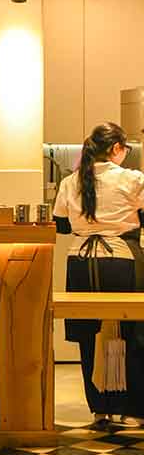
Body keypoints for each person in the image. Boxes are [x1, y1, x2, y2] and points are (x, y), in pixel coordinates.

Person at [53, 122, 144, 428]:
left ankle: (99, 409)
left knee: (87, 337)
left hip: (80, 262)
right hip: (121, 260)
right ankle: (132, 409)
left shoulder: (71, 180)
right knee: (131, 334)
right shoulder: (131, 179)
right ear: (116, 149)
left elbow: (62, 225)